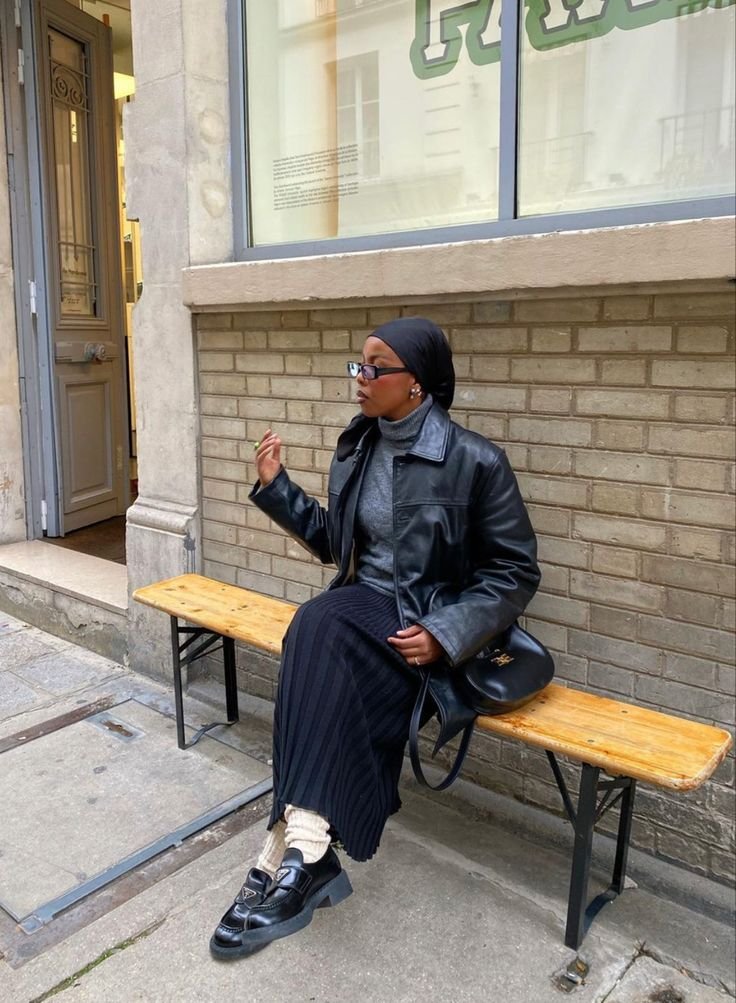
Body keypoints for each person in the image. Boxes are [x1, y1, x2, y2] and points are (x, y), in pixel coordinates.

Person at [209, 317, 540, 960]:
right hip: (364, 610)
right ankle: (303, 850)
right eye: (357, 365)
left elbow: (515, 572)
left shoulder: (475, 460)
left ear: (416, 383)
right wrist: (278, 490)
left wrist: (445, 633)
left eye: (375, 367)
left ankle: (284, 852)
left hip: (427, 623)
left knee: (316, 627)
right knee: (319, 628)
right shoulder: (359, 447)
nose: (360, 379)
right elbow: (339, 546)